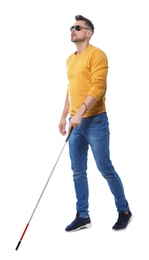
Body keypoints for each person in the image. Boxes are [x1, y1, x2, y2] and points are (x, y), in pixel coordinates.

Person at [58, 15, 132, 232]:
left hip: (95, 121)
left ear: (88, 32)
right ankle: (83, 216)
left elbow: (98, 88)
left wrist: (81, 111)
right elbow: (70, 89)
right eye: (72, 27)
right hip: (75, 123)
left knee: (105, 168)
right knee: (78, 171)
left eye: (78, 27)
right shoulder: (70, 59)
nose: (73, 30)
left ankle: (124, 210)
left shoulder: (97, 55)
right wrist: (64, 117)